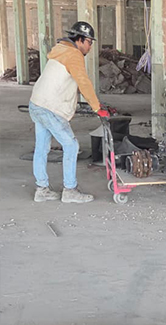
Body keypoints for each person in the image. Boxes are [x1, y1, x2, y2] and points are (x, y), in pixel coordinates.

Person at [29, 21, 110, 203]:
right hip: (50, 108)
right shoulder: (74, 54)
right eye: (89, 42)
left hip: (37, 103)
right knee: (71, 146)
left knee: (41, 147)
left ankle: (41, 189)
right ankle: (70, 190)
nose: (90, 47)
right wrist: (97, 108)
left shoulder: (60, 50)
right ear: (80, 39)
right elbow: (83, 82)